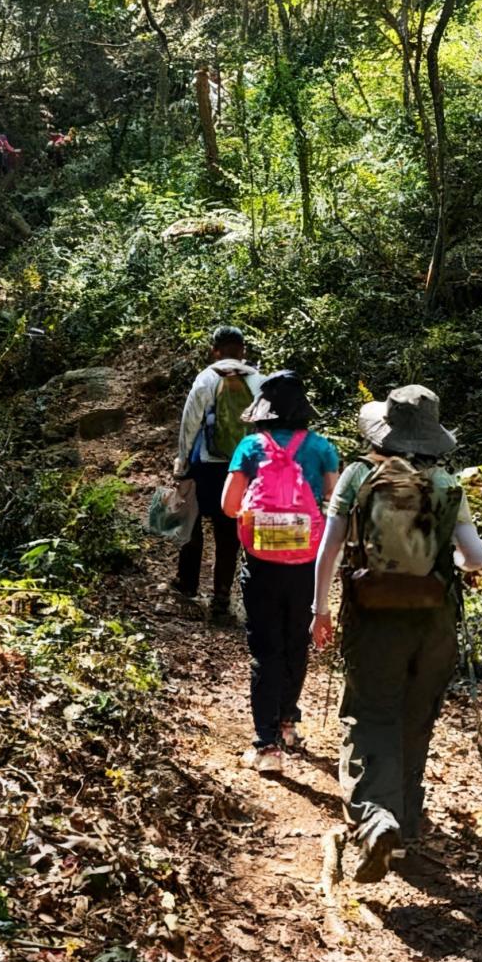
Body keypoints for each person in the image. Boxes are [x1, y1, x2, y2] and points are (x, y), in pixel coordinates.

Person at [311, 384, 482, 882]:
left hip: (372, 615)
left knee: (371, 714)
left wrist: (319, 609)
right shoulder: (449, 484)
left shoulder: (359, 475)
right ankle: (405, 826)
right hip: (434, 621)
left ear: (383, 429)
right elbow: (476, 558)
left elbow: (329, 551)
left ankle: (374, 817)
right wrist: (449, 561)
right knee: (416, 715)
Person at [222, 372, 340, 773]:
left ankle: (266, 745)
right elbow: (333, 502)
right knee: (295, 644)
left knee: (265, 651)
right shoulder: (322, 448)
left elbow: (227, 505)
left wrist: (262, 520)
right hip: (307, 563)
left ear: (263, 412)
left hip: (261, 563)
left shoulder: (249, 447)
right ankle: (288, 722)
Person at [168, 326, 264, 623]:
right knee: (228, 533)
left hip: (206, 465)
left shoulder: (207, 378)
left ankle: (187, 586)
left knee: (192, 524)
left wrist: (183, 463)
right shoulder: (259, 381)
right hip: (242, 467)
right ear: (243, 350)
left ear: (215, 350)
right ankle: (222, 597)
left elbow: (190, 424)